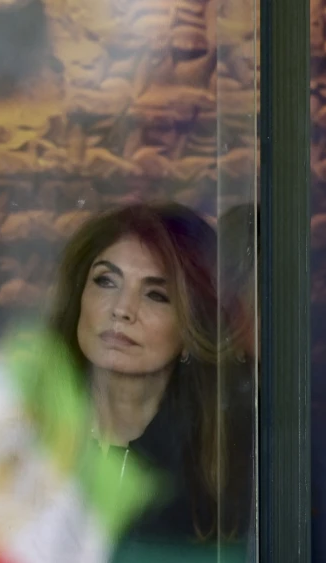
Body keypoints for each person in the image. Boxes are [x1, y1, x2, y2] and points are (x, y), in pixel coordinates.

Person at [47, 202, 251, 558]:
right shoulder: (24, 436)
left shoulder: (234, 456)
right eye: (106, 281)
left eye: (156, 294)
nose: (122, 309)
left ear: (193, 326)